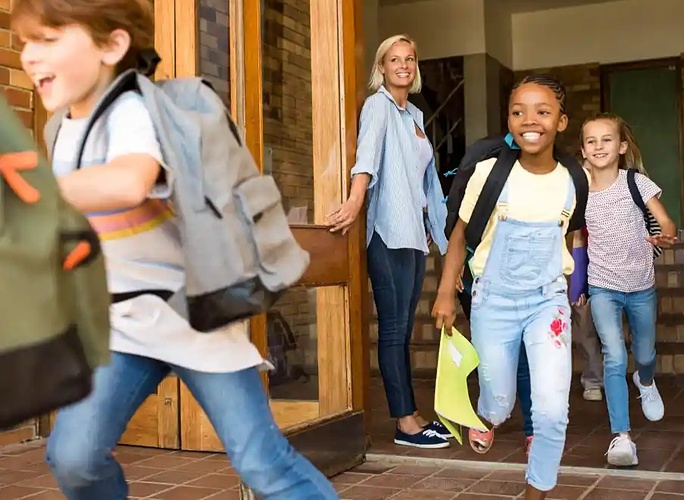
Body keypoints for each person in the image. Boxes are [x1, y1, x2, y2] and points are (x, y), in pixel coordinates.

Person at [11, 1, 338, 498]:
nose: (30, 56)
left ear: (112, 45)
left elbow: (128, 180)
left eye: (49, 39)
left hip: (194, 318)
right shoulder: (60, 131)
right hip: (120, 326)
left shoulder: (134, 110)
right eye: (24, 43)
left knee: (261, 462)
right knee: (73, 457)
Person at [433, 74, 576, 499]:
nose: (529, 120)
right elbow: (459, 233)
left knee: (552, 411)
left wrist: (572, 282)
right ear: (509, 120)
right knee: (498, 401)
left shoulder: (573, 180)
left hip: (547, 303)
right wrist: (445, 292)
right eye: (518, 112)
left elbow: (569, 233)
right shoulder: (489, 174)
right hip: (492, 301)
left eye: (542, 112)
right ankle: (488, 414)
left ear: (561, 122)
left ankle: (537, 491)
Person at [328, 34, 451, 449]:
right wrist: (354, 201)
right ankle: (404, 422)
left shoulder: (413, 114)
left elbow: (427, 180)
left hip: (413, 237)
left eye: (410, 59)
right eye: (394, 59)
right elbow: (367, 156)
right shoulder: (378, 106)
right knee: (394, 329)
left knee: (400, 330)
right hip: (387, 234)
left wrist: (439, 232)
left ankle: (412, 415)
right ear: (381, 67)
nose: (403, 65)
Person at [580, 112, 678, 467]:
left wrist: (666, 232)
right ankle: (621, 437)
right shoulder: (579, 191)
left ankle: (646, 380)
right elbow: (576, 238)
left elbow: (664, 218)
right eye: (591, 141)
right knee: (615, 356)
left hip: (641, 286)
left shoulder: (636, 182)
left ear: (621, 147)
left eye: (606, 140)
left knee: (645, 353)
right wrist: (578, 283)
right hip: (602, 286)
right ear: (583, 149)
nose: (599, 146)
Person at [516, 224, 603, 456]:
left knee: (585, 332)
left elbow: (582, 244)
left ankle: (593, 381)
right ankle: (549, 393)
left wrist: (579, 285)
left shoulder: (581, 210)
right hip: (545, 275)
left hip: (579, 270)